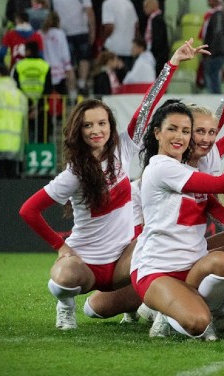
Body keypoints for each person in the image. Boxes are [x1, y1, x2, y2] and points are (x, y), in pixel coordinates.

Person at [129, 102, 224, 340]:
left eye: (186, 131)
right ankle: (168, 313)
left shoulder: (185, 169)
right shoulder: (161, 168)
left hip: (192, 268)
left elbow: (216, 209)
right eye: (172, 129)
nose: (180, 136)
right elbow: (222, 185)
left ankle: (200, 312)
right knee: (198, 323)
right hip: (159, 271)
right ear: (157, 132)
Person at [18, 99, 142, 330]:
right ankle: (65, 306)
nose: (96, 130)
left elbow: (146, 106)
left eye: (102, 123)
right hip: (87, 265)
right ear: (78, 131)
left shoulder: (122, 149)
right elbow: (28, 210)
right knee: (64, 277)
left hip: (122, 260)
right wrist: (60, 246)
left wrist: (172, 64)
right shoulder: (74, 173)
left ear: (111, 126)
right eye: (88, 125)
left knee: (155, 246)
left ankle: (132, 308)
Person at [53, 0, 95, 94]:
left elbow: (56, 14)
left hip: (64, 32)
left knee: (68, 61)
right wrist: (92, 30)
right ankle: (82, 83)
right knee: (83, 58)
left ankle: (72, 91)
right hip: (81, 30)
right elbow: (89, 13)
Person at [13, 41, 53, 143]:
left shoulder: (19, 65)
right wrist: (37, 107)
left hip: (23, 108)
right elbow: (48, 88)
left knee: (24, 140)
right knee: (43, 139)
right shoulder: (45, 65)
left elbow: (16, 87)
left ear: (28, 51)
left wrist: (29, 105)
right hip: (42, 109)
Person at [101, 0, 138, 70]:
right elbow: (136, 25)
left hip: (113, 47)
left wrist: (103, 39)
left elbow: (109, 26)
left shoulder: (108, 3)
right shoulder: (128, 1)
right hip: (129, 47)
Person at [40, 12, 77, 100]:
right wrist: (67, 65)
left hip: (45, 67)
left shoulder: (41, 34)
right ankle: (72, 100)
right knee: (61, 95)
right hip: (59, 68)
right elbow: (64, 50)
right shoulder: (59, 33)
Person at [200, 0, 224, 94]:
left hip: (216, 51)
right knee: (212, 75)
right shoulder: (218, 14)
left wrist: (210, 51)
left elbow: (217, 34)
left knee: (212, 75)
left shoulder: (218, 15)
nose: (208, 1)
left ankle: (216, 98)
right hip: (217, 50)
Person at [142, 0, 169, 68]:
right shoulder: (154, 19)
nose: (144, 9)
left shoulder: (156, 20)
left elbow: (158, 39)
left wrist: (152, 53)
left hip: (158, 56)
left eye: (145, 6)